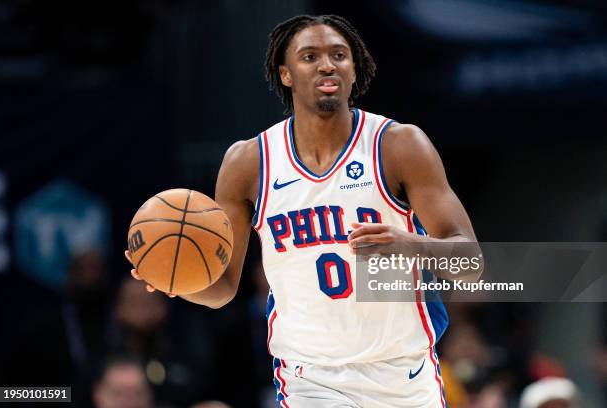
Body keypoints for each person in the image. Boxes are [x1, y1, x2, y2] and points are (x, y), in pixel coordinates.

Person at [127, 14, 481, 407]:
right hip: (310, 380)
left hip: (405, 373)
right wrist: (175, 278)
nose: (327, 64)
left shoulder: (398, 146)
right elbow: (223, 289)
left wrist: (411, 245)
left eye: (339, 55)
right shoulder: (249, 162)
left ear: (354, 69)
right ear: (286, 74)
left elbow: (471, 262)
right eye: (310, 56)